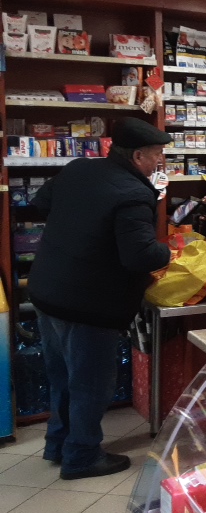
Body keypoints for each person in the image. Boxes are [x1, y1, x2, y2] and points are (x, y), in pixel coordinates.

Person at [29, 117, 172, 480]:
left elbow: (40, 202)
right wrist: (167, 251)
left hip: (48, 292)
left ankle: (58, 443)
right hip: (88, 305)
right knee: (90, 384)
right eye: (157, 154)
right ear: (138, 155)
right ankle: (82, 457)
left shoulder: (79, 168)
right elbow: (140, 256)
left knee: (63, 376)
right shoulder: (135, 193)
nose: (160, 162)